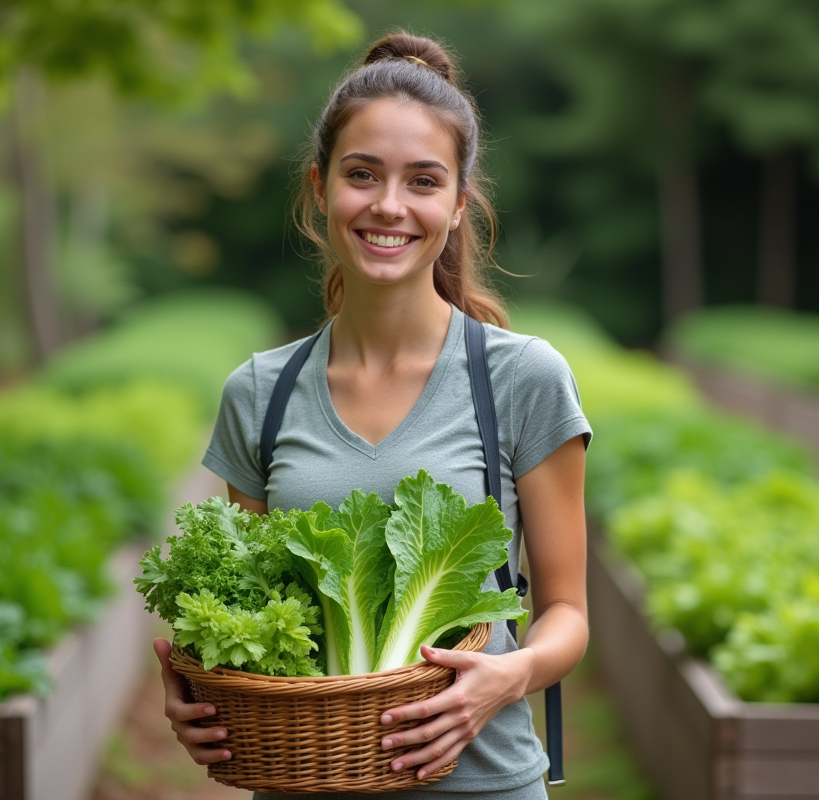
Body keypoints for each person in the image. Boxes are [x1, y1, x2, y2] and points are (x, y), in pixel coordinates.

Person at [152, 30, 591, 800]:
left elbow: (567, 614)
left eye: (423, 182)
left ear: (458, 206)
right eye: (363, 175)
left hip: (482, 786)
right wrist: (203, 691)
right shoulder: (259, 394)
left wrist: (509, 675)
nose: (390, 206)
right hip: (301, 785)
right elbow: (254, 612)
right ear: (320, 188)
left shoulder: (522, 379)